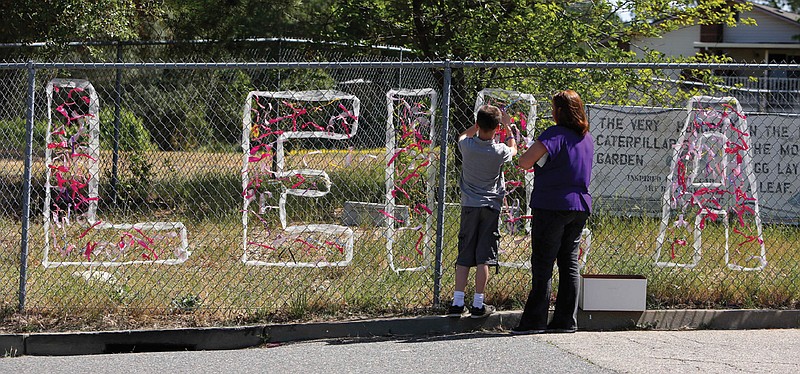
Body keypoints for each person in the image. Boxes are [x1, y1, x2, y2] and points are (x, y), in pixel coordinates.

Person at [511, 90, 593, 333]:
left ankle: (534, 321)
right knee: (569, 263)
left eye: (554, 108)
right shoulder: (586, 138)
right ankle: (565, 321)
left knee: (543, 263)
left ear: (560, 111)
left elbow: (524, 162)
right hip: (579, 205)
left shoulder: (555, 134)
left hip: (552, 204)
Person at [448, 104, 517, 318]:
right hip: (490, 207)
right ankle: (478, 303)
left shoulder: (467, 146)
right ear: (496, 128)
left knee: (465, 253)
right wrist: (508, 127)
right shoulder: (499, 151)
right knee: (483, 257)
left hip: (470, 205)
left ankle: (457, 301)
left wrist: (475, 126)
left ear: (478, 125)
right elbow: (514, 149)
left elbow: (461, 136)